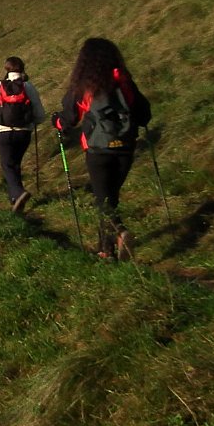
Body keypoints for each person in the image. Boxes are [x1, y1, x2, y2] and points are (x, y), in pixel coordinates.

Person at [54, 37, 153, 260]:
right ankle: (105, 250)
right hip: (126, 148)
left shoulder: (83, 86)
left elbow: (69, 118)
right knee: (110, 198)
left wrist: (56, 122)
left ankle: (120, 231)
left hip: (97, 150)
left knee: (102, 200)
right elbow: (144, 114)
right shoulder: (124, 81)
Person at [0, 56, 47, 213]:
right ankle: (15, 200)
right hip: (24, 133)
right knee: (14, 164)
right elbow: (40, 114)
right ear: (22, 68)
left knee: (7, 165)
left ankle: (18, 193)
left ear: (6, 69)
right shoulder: (28, 87)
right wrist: (33, 123)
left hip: (4, 133)